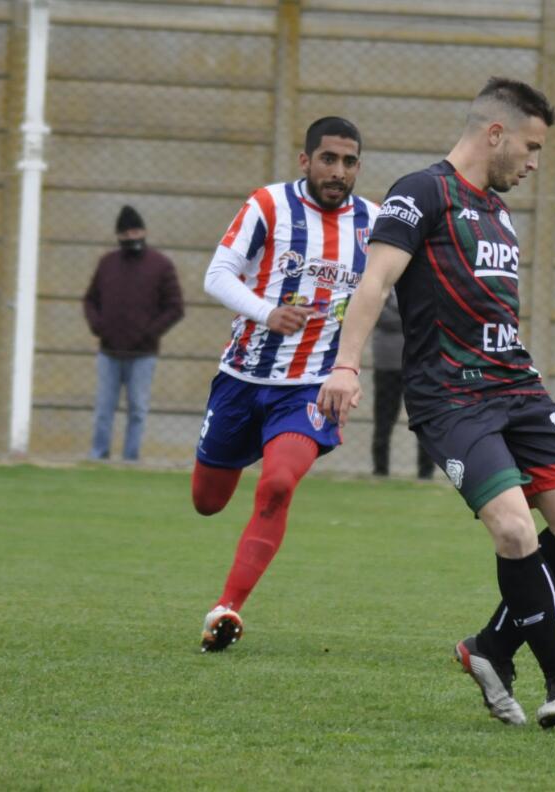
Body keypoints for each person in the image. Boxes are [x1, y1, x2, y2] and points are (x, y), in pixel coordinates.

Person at [317, 78, 555, 729]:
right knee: (514, 529)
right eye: (531, 147)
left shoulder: (498, 211)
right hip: (451, 397)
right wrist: (345, 365)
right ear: (495, 133)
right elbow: (375, 281)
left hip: (519, 388)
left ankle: (490, 648)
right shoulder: (421, 192)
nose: (534, 163)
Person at [191, 116, 377, 653]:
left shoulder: (374, 223)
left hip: (311, 387)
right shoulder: (268, 205)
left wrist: (350, 368)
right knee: (207, 501)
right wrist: (266, 312)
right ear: (305, 160)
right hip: (242, 379)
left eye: (349, 162)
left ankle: (227, 608)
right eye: (328, 159)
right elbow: (216, 275)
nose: (338, 171)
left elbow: (395, 290)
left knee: (277, 484)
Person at [82, 205, 184, 461]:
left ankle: (131, 458)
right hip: (109, 351)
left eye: (136, 232)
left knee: (137, 409)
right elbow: (90, 300)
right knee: (104, 408)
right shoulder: (107, 264)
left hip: (143, 354)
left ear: (144, 232)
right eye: (126, 234)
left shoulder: (161, 265)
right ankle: (98, 456)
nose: (132, 237)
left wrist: (150, 333)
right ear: (118, 236)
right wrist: (99, 326)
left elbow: (175, 307)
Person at [371, 290, 434, 479]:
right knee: (384, 420)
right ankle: (380, 470)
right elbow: (377, 315)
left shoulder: (419, 286)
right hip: (389, 365)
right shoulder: (383, 288)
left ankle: (425, 473)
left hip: (417, 365)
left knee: (424, 418)